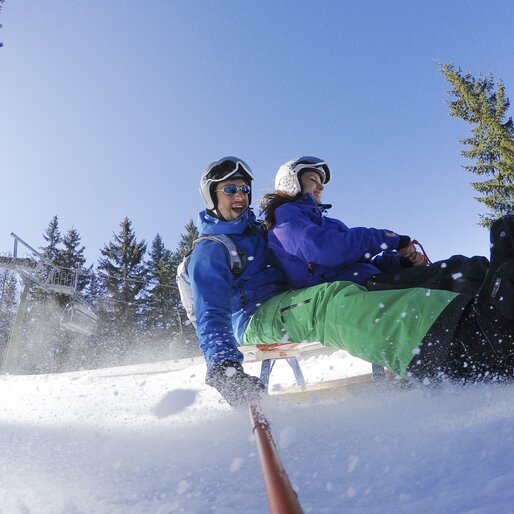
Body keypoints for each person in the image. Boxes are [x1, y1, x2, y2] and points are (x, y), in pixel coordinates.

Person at [189, 156, 514, 407]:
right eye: (229, 189)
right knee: (327, 302)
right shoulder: (212, 249)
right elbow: (210, 312)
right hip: (253, 318)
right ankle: (448, 347)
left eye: (244, 189)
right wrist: (222, 366)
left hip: (286, 300)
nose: (240, 196)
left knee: (346, 290)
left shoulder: (258, 232)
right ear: (211, 198)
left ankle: (488, 302)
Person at [260, 156, 489, 295]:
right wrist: (388, 238)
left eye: (322, 184)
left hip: (362, 279)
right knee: (458, 274)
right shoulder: (286, 218)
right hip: (340, 289)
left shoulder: (329, 223)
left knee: (467, 267)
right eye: (313, 180)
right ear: (291, 182)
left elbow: (363, 260)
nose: (320, 187)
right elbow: (326, 250)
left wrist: (401, 261)